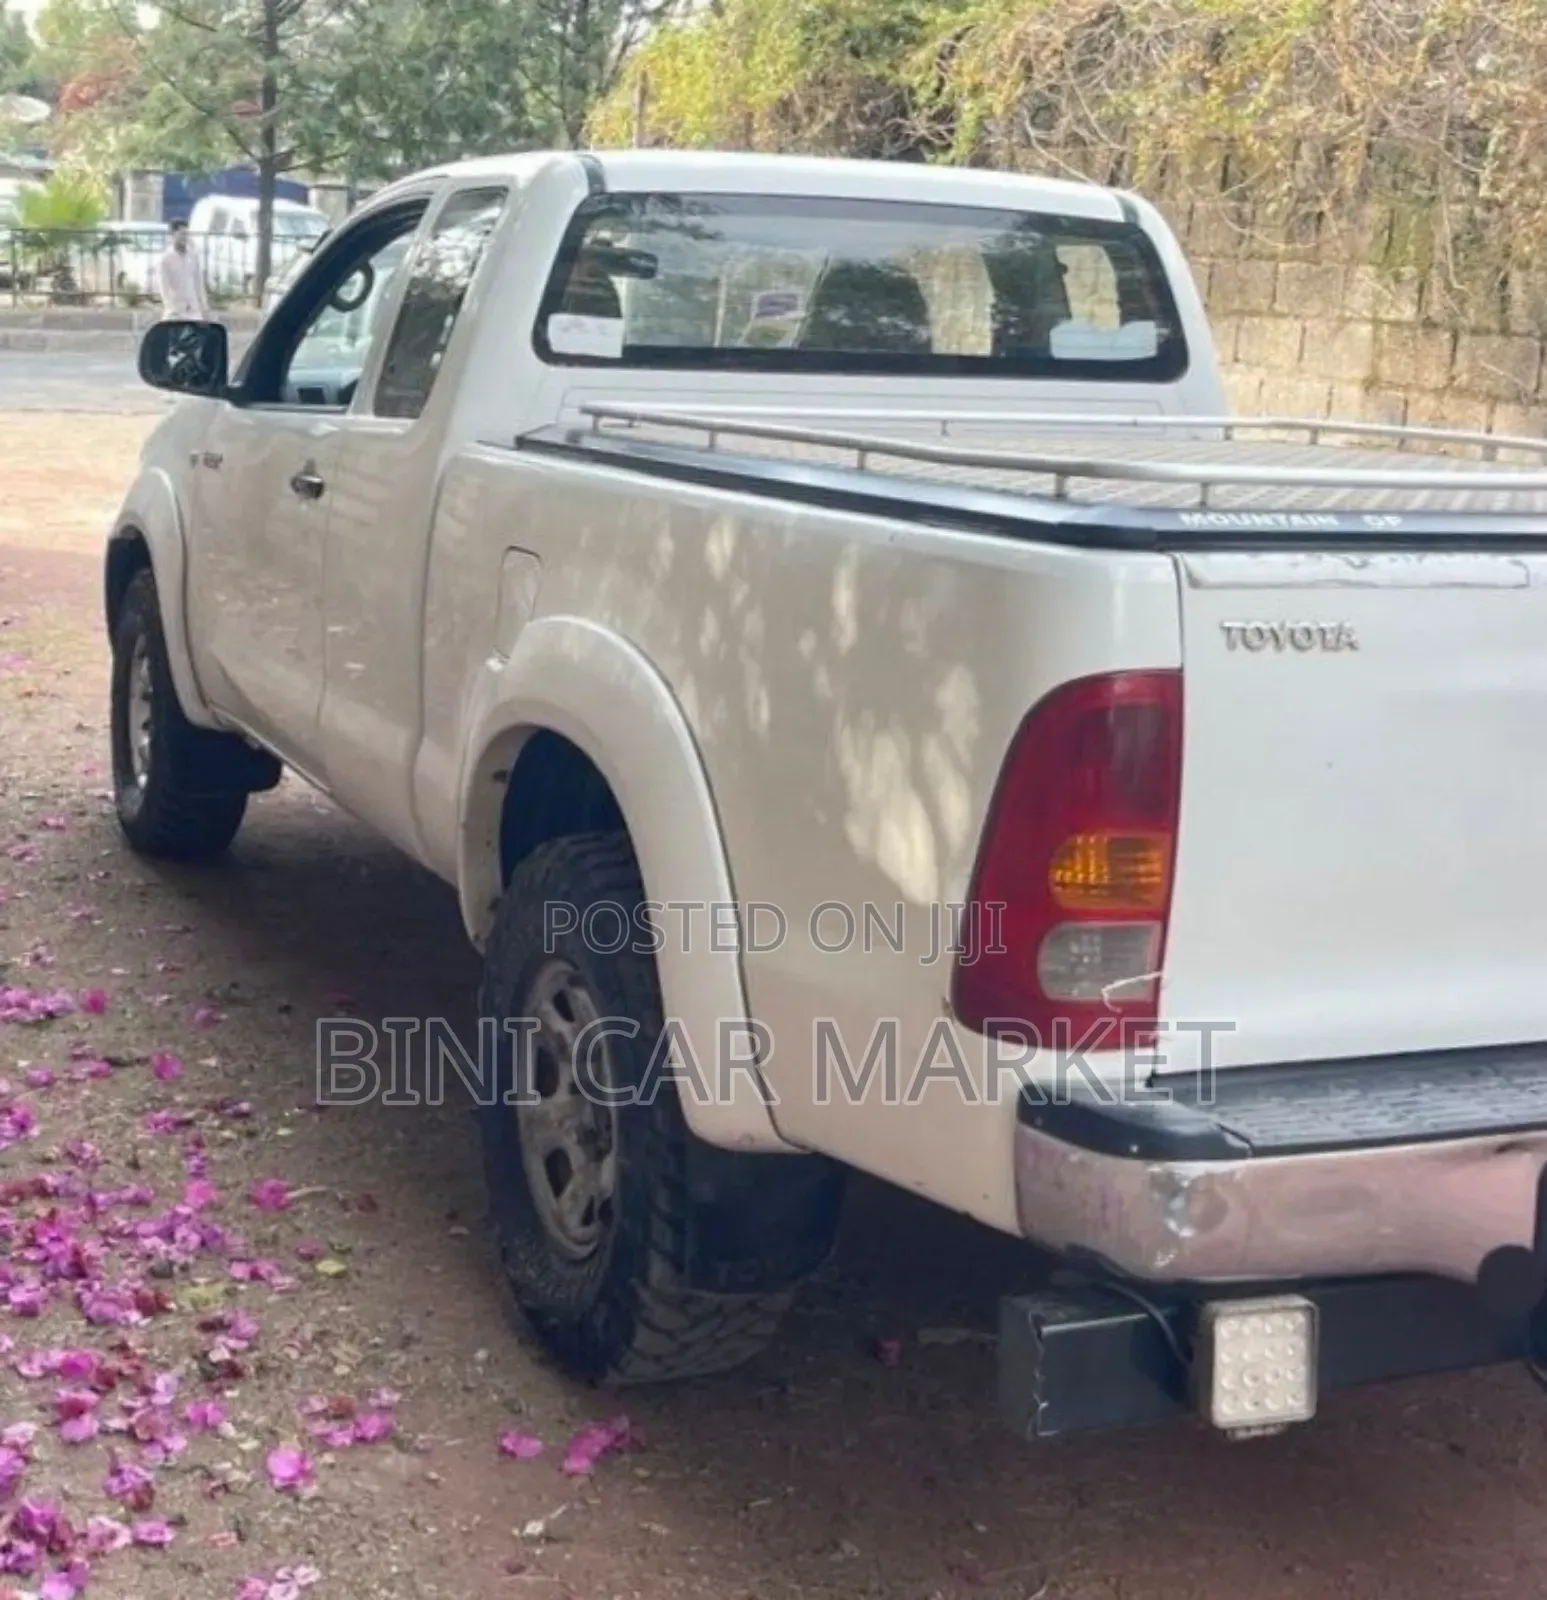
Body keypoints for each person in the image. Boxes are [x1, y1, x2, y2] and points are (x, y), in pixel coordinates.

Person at [154, 219, 211, 321]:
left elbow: (198, 282)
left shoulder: (193, 256)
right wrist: (170, 307)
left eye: (186, 234)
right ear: (173, 235)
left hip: (193, 310)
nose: (184, 237)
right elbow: (164, 287)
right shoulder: (165, 259)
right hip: (175, 311)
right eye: (181, 234)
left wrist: (204, 306)